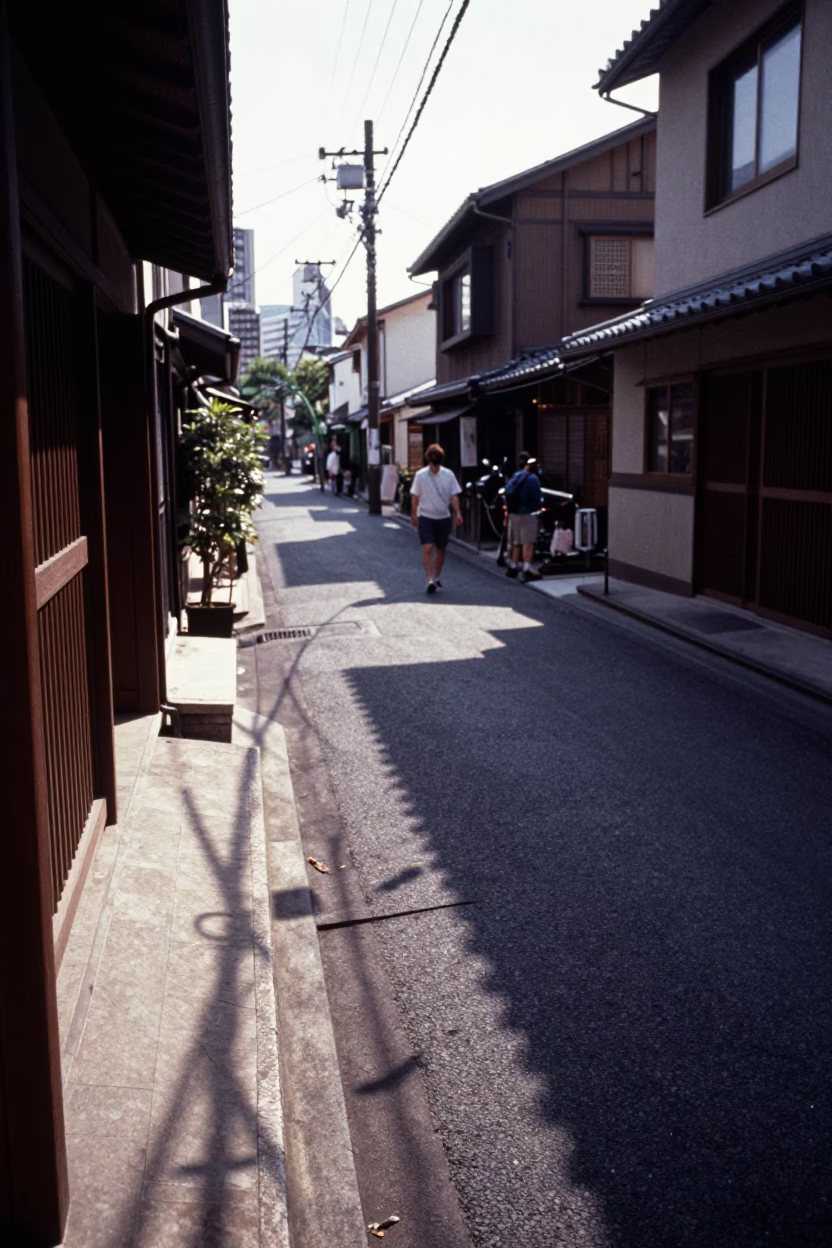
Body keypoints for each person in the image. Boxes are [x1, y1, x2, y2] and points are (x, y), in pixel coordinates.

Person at [410, 443, 463, 594]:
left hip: (443, 516)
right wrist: (414, 514)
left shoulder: (448, 474)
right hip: (426, 515)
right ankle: (429, 580)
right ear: (429, 459)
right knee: (427, 547)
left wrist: (458, 512)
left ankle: (436, 576)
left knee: (440, 548)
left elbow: (453, 496)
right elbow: (415, 496)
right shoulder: (420, 475)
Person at [504, 452, 542, 582]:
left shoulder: (515, 476)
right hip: (527, 513)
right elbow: (537, 497)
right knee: (528, 541)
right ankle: (526, 568)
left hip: (514, 513)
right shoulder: (532, 479)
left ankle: (513, 566)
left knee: (516, 541)